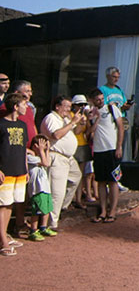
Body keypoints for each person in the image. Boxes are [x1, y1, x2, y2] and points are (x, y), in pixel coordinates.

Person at [40, 96, 83, 230]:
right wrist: (71, 123)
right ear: (57, 106)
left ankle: (62, 207)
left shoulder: (64, 119)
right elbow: (56, 135)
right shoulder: (51, 118)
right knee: (56, 192)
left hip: (68, 158)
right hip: (57, 157)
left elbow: (76, 131)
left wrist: (78, 121)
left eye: (70, 107)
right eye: (66, 107)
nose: (68, 110)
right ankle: (51, 223)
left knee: (76, 177)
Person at [88, 88, 124, 223]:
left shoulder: (111, 108)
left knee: (113, 181)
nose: (101, 102)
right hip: (98, 150)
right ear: (92, 100)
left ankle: (112, 211)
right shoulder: (91, 113)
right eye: (98, 100)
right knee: (101, 181)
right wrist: (93, 118)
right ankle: (103, 210)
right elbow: (89, 133)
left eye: (102, 99)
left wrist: (119, 146)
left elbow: (121, 127)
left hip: (111, 148)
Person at [0, 93, 29, 256]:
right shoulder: (1, 124)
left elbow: (23, 148)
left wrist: (25, 168)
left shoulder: (22, 125)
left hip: (19, 171)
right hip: (6, 170)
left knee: (10, 203)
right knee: (3, 205)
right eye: (24, 104)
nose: (26, 107)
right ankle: (3, 240)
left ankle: (4, 235)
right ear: (16, 107)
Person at [99, 66, 133, 169]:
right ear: (107, 76)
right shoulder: (102, 90)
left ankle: (117, 174)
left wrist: (126, 106)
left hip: (121, 120)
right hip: (109, 121)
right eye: (114, 77)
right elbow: (101, 107)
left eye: (118, 77)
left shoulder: (119, 90)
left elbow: (122, 104)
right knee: (111, 147)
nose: (116, 79)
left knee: (120, 146)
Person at [26, 134, 57, 241]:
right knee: (37, 210)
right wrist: (41, 151)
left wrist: (46, 150)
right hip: (37, 189)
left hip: (45, 187)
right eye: (42, 145)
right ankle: (33, 230)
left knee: (47, 208)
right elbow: (44, 163)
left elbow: (47, 162)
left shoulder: (42, 155)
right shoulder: (30, 157)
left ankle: (43, 227)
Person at [71, 94, 96, 208]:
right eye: (79, 105)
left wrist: (93, 121)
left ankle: (78, 198)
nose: (82, 107)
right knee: (73, 174)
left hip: (83, 145)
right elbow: (76, 131)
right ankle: (72, 198)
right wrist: (81, 121)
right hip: (74, 146)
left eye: (84, 105)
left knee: (81, 174)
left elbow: (88, 132)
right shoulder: (72, 116)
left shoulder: (84, 116)